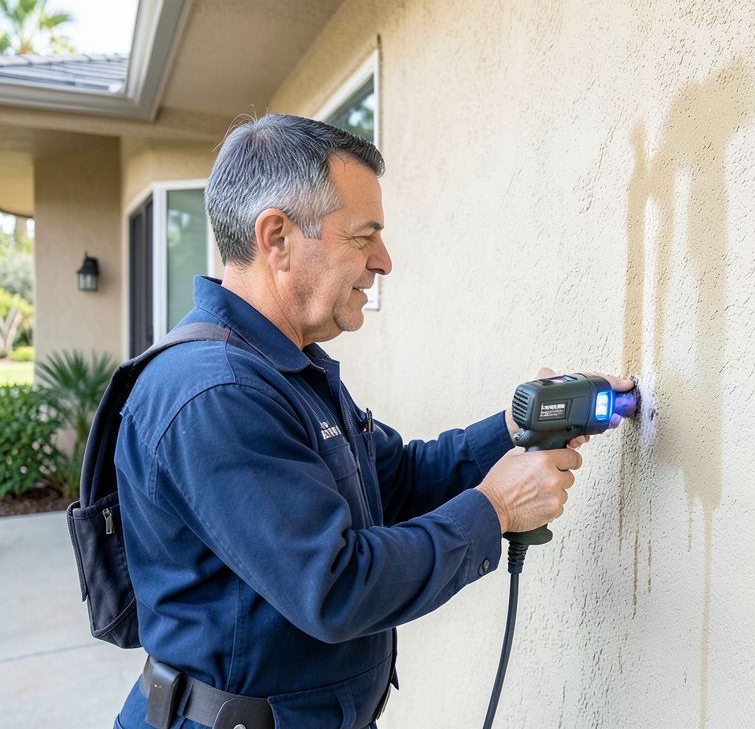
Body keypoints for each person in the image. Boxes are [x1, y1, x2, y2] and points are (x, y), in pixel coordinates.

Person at [112, 114, 633, 729]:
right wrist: (494, 511)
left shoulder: (285, 371)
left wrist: (519, 424)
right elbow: (333, 587)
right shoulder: (216, 395)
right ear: (277, 238)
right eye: (365, 237)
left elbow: (399, 479)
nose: (383, 261)